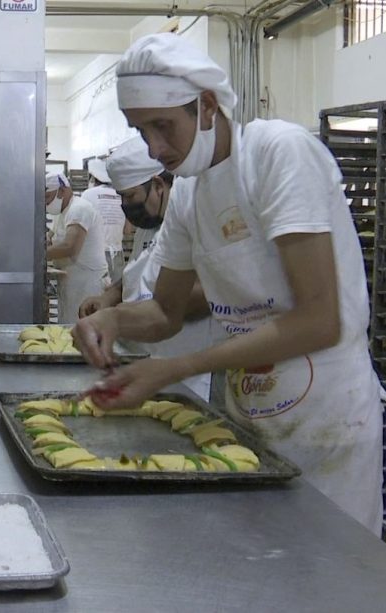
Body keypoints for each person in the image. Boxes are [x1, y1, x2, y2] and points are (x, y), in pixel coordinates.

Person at [72, 33, 383, 534]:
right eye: (140, 129)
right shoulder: (191, 192)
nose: (155, 147)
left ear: (208, 106)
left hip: (326, 424)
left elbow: (321, 320)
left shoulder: (278, 154)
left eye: (163, 126)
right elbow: (164, 312)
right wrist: (111, 317)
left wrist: (175, 369)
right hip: (249, 415)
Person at [78, 137, 219, 400]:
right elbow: (135, 274)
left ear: (158, 185)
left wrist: (123, 317)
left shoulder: (194, 219)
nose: (125, 206)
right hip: (136, 359)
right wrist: (107, 298)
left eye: (130, 196)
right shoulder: (150, 225)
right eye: (121, 197)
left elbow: (207, 294)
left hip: (179, 368)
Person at [45, 171, 108, 324]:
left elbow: (69, 247)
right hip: (72, 282)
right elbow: (49, 238)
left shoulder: (79, 209)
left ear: (62, 190)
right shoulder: (62, 213)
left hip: (87, 284)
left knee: (84, 331)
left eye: (48, 197)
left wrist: (34, 256)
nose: (46, 202)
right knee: (68, 331)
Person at [83, 158, 126, 283]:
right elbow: (128, 229)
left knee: (95, 295)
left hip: (95, 254)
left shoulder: (88, 195)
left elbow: (82, 226)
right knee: (115, 294)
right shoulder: (121, 195)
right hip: (117, 254)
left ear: (92, 178)